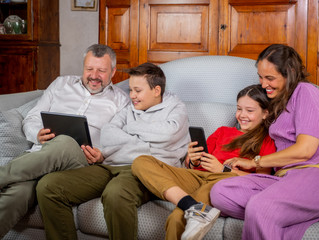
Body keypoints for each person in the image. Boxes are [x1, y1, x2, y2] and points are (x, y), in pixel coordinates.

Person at [210, 44, 319, 240]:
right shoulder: (278, 103)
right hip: (287, 179)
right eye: (261, 77)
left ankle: (287, 212)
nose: (263, 84)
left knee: (261, 208)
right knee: (221, 193)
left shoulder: (305, 91)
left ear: (290, 73)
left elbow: (305, 150)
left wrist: (254, 162)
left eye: (270, 78)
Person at [36, 62, 190, 240]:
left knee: (116, 194)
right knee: (49, 186)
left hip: (146, 172)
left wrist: (129, 129)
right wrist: (144, 142)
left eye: (137, 91)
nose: (132, 96)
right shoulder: (129, 108)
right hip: (111, 165)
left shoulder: (176, 108)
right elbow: (108, 134)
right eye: (130, 90)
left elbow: (168, 134)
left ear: (156, 90)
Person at [0, 44, 129, 238]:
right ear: (83, 67)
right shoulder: (61, 84)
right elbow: (33, 117)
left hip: (79, 164)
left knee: (65, 142)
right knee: (18, 195)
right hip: (40, 157)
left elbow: (124, 141)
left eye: (101, 71)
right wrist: (37, 134)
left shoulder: (122, 101)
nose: (94, 75)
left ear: (113, 72)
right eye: (89, 69)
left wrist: (102, 152)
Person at [132, 84, 276, 240]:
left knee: (177, 218)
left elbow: (261, 182)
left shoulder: (267, 141)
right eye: (239, 109)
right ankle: (189, 204)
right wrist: (193, 160)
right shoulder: (222, 131)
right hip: (196, 176)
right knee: (141, 161)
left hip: (222, 183)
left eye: (250, 110)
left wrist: (223, 170)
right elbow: (199, 164)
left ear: (265, 113)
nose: (242, 115)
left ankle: (191, 209)